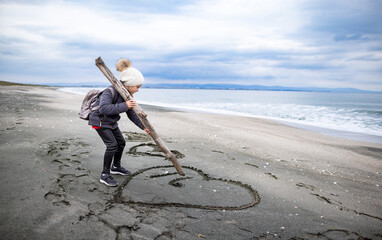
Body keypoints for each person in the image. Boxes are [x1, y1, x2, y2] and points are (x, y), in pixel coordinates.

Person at [88, 58, 150, 187]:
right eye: (137, 87)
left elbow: (131, 113)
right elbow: (104, 108)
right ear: (128, 84)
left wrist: (143, 126)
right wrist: (125, 105)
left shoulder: (126, 94)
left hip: (110, 122)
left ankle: (115, 167)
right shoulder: (109, 91)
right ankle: (105, 175)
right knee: (112, 145)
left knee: (121, 142)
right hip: (99, 121)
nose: (138, 90)